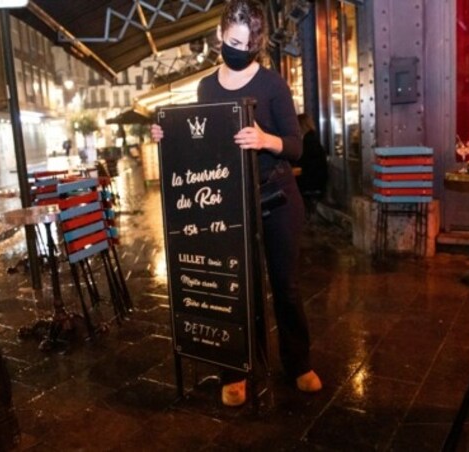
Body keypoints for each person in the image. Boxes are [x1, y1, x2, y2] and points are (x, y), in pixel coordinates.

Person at [150, 0, 321, 407]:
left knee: (286, 287)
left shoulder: (273, 84)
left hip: (278, 194)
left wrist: (265, 140)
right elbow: (202, 143)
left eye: (246, 44)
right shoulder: (206, 87)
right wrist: (167, 135)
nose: (238, 50)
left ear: (256, 44)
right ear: (219, 37)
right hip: (231, 202)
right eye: (232, 41)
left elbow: (297, 148)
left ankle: (298, 363)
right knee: (234, 287)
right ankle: (236, 370)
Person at [295, 113, 328, 204]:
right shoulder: (312, 138)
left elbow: (303, 162)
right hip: (319, 181)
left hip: (311, 183)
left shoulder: (308, 141)